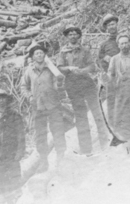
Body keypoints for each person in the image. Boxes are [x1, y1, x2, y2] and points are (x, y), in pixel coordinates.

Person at [56, 26, 108, 155]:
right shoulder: (63, 52)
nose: (73, 36)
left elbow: (92, 65)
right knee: (81, 117)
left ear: (78, 36)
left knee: (97, 112)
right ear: (67, 37)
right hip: (73, 86)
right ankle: (86, 149)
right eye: (70, 35)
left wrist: (83, 70)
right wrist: (70, 68)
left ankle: (105, 144)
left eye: (75, 34)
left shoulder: (84, 50)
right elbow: (60, 67)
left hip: (87, 83)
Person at [21, 41, 68, 171]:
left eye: (41, 53)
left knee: (58, 131)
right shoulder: (29, 71)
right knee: (40, 135)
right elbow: (23, 86)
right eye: (36, 54)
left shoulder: (52, 69)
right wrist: (30, 96)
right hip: (38, 106)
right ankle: (43, 162)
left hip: (53, 104)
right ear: (33, 57)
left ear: (44, 55)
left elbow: (58, 86)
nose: (39, 55)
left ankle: (61, 157)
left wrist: (59, 83)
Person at [97, 14, 121, 121]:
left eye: (113, 24)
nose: (111, 27)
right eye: (109, 25)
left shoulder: (124, 40)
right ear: (106, 28)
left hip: (125, 76)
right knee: (112, 101)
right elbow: (98, 60)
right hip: (112, 77)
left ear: (116, 25)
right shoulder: (104, 44)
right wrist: (105, 60)